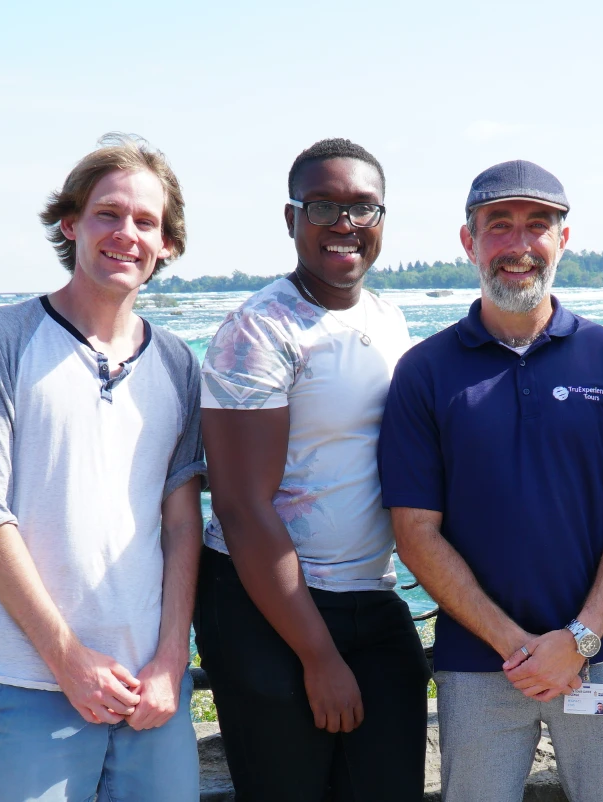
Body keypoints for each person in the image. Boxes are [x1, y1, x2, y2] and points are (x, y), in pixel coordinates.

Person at [380, 160, 603, 801]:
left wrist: (578, 639)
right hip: (478, 662)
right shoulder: (424, 372)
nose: (518, 245)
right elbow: (415, 532)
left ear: (563, 240)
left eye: (538, 225)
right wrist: (520, 648)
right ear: (468, 241)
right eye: (498, 225)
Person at [0, 134, 205, 801]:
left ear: (167, 243)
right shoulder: (1, 339)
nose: (127, 234)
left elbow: (181, 523)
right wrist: (68, 659)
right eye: (108, 214)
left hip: (151, 691)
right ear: (71, 224)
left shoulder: (178, 363)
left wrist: (173, 659)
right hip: (28, 683)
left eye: (146, 222)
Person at [196, 138, 426, 800]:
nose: (344, 224)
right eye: (323, 206)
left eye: (363, 208)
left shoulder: (389, 318)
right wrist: (318, 655)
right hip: (265, 605)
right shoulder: (259, 330)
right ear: (291, 218)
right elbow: (240, 505)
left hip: (371, 595)